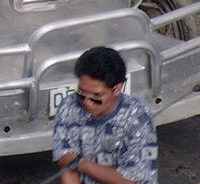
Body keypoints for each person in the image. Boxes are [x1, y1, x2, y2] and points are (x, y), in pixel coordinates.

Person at [52, 47, 158, 184]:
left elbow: (129, 180)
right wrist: (74, 163)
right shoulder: (68, 107)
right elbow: (67, 167)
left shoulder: (137, 116)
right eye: (81, 93)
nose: (87, 102)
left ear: (117, 88)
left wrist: (79, 162)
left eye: (96, 96)